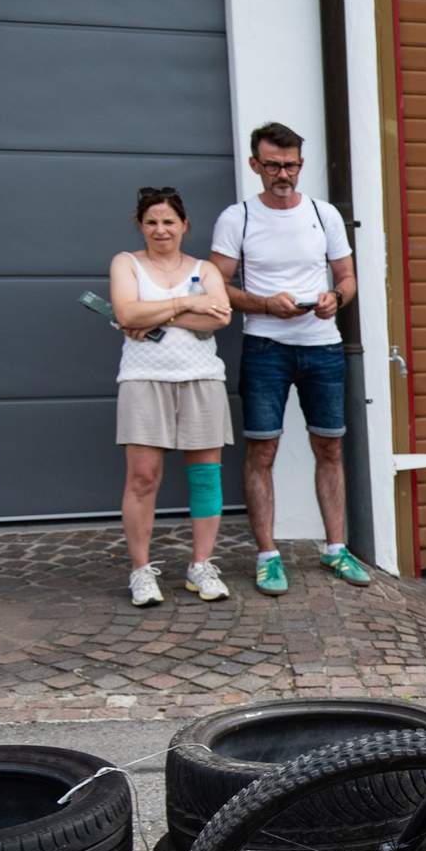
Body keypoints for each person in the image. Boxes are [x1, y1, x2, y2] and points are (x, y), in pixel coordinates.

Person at [209, 122, 368, 596]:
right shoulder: (237, 217)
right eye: (273, 165)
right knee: (262, 451)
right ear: (254, 165)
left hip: (322, 345)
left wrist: (335, 299)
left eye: (291, 165)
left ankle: (335, 547)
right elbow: (215, 284)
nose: (283, 174)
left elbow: (347, 277)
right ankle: (267, 556)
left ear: (301, 164)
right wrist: (263, 304)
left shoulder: (323, 214)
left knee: (330, 447)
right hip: (265, 347)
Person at [110, 187, 234, 606]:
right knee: (142, 478)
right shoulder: (126, 263)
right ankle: (141, 571)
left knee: (205, 477)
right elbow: (126, 313)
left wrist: (158, 312)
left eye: (168, 221)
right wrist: (186, 304)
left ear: (184, 225)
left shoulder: (205, 268)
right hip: (143, 378)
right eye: (151, 222)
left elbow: (219, 318)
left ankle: (201, 565)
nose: (160, 229)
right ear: (140, 225)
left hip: (202, 378)